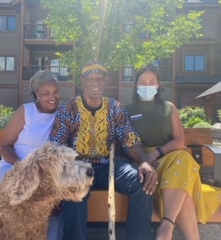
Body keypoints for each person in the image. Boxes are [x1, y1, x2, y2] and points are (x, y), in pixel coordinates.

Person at [49, 61, 157, 240]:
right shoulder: (68, 109)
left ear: (105, 81)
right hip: (78, 168)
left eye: (99, 79)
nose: (95, 83)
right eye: (90, 79)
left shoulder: (115, 108)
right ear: (83, 82)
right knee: (73, 188)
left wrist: (144, 162)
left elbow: (130, 139)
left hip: (110, 165)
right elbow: (57, 146)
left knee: (141, 182)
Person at [126, 64, 221, 240]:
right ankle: (172, 229)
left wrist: (156, 153)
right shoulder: (127, 110)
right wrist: (145, 159)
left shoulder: (169, 108)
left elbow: (179, 140)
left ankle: (166, 225)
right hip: (144, 165)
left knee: (183, 158)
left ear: (158, 85)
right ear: (136, 85)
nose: (147, 85)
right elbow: (126, 142)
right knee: (183, 191)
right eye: (142, 82)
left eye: (152, 82)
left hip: (169, 158)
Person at [0, 70, 63, 240]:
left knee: (53, 198)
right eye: (46, 93)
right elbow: (4, 145)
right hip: (15, 165)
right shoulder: (26, 111)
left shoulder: (63, 114)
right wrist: (24, 167)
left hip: (46, 170)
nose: (52, 97)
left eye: (55, 92)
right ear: (37, 94)